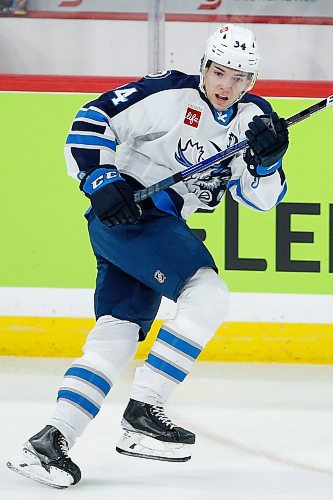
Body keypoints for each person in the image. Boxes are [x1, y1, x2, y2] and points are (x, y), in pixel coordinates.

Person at [7, 24, 288, 488]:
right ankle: (143, 411)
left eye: (239, 78)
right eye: (219, 72)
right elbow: (92, 117)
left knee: (117, 331)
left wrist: (267, 162)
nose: (226, 85)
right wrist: (98, 179)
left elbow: (260, 199)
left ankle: (50, 441)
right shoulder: (169, 92)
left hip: (148, 227)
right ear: (204, 67)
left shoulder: (255, 119)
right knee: (208, 294)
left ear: (250, 83)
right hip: (131, 212)